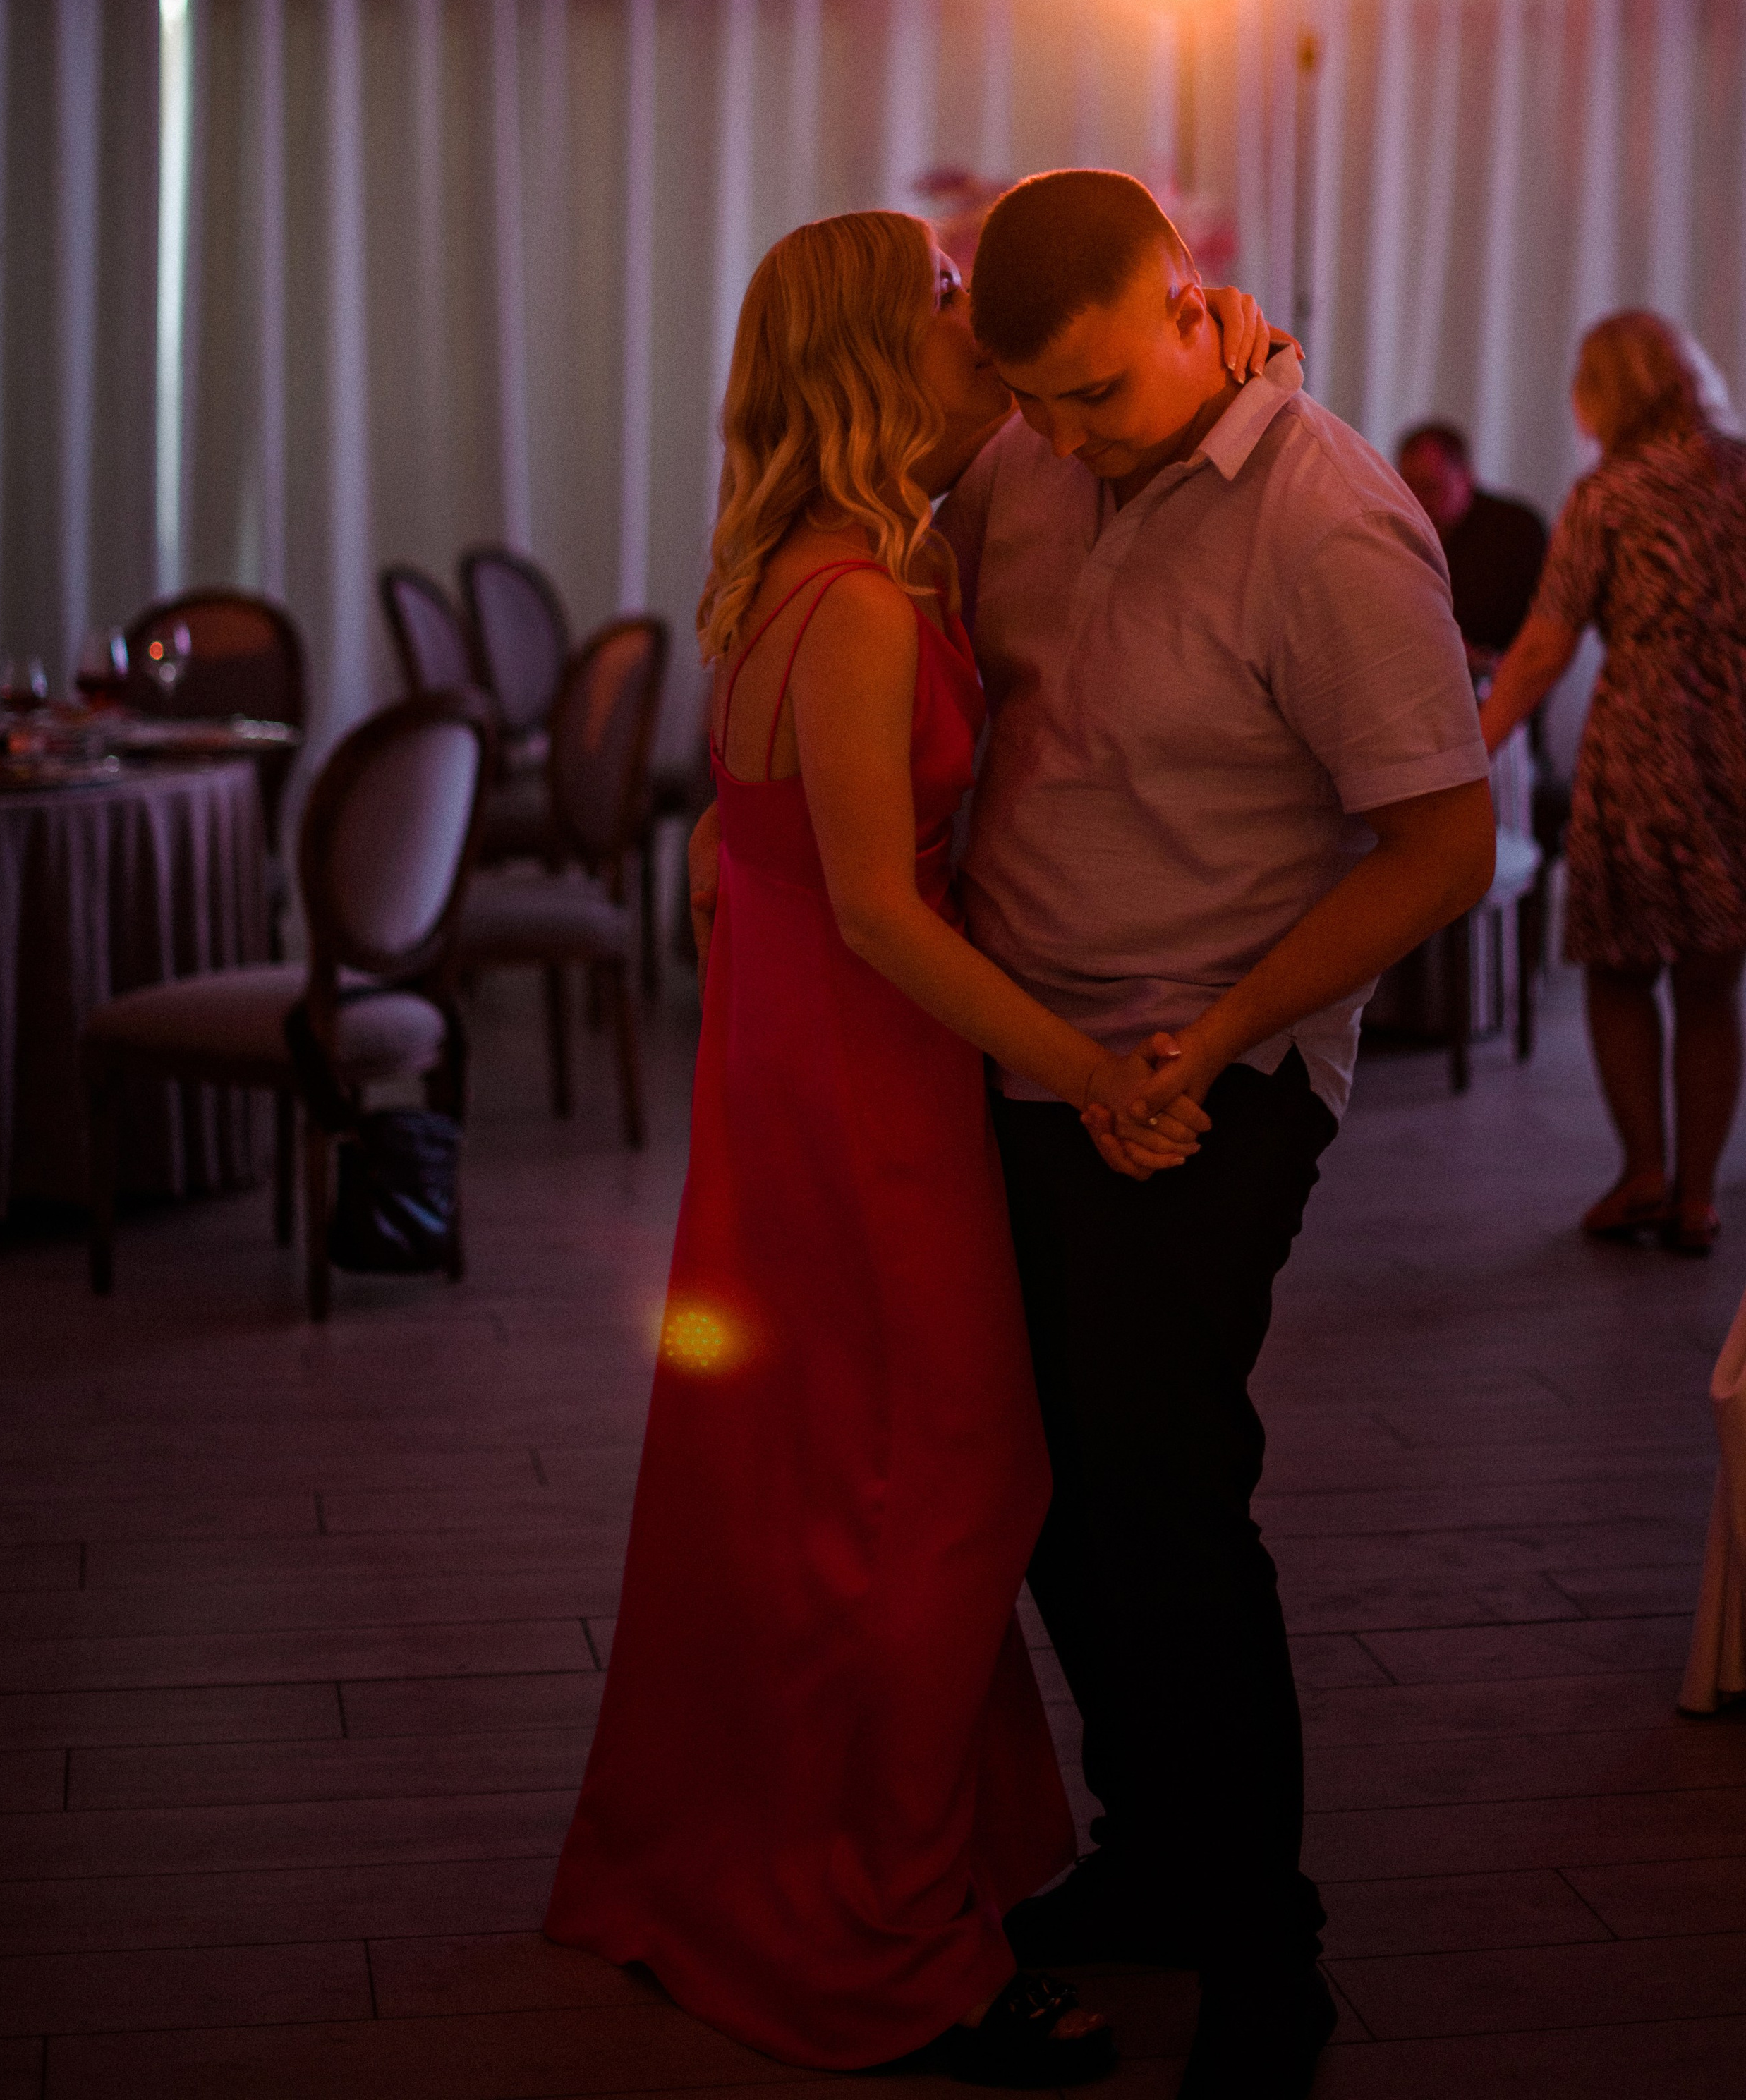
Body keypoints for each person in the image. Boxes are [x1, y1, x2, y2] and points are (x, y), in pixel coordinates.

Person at [547, 214, 1273, 2083]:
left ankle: (826, 1865)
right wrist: (1095, 1073)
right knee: (939, 1493)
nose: (974, 319)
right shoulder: (863, 605)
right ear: (879, 356)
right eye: (944, 300)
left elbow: (779, 831)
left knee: (827, 1494)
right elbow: (878, 908)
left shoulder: (815, 567)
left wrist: (1230, 344)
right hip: (871, 1096)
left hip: (795, 1072)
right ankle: (884, 1946)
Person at [942, 170, 1494, 2100]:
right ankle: (1162, 1848)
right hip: (1023, 1052)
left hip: (1218, 1068)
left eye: (1096, 390)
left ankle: (1268, 1945)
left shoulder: (1328, 521)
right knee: (1046, 1485)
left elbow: (1443, 846)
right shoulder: (1023, 457)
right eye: (1035, 401)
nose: (1065, 437)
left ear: (1193, 308)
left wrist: (1223, 1031)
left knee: (1167, 1492)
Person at [1480, 310, 1746, 1259]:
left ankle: (1642, 1173)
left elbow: (1543, 649)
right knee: (1712, 981)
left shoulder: (1607, 495)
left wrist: (1469, 755)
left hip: (1645, 748)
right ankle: (1698, 1198)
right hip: (1737, 751)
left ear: (1602, 391)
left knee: (1622, 969)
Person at [1395, 420, 1548, 666]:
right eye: (1407, 489)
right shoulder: (1402, 532)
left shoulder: (1517, 531)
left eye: (1430, 488)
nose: (1416, 502)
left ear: (1465, 477)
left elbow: (1538, 632)